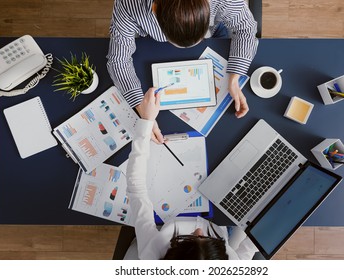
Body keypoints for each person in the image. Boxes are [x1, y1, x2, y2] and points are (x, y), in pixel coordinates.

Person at [124, 88, 259, 259]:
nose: (198, 229)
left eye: (190, 238)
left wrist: (146, 122)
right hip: (224, 234)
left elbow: (136, 188)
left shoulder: (152, 253)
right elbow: (245, 253)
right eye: (205, 238)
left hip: (164, 226)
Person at [107, 0, 259, 143]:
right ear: (155, 9)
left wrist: (234, 79)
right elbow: (118, 60)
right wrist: (141, 108)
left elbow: (246, 27)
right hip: (153, 45)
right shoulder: (129, 4)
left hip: (215, 32)